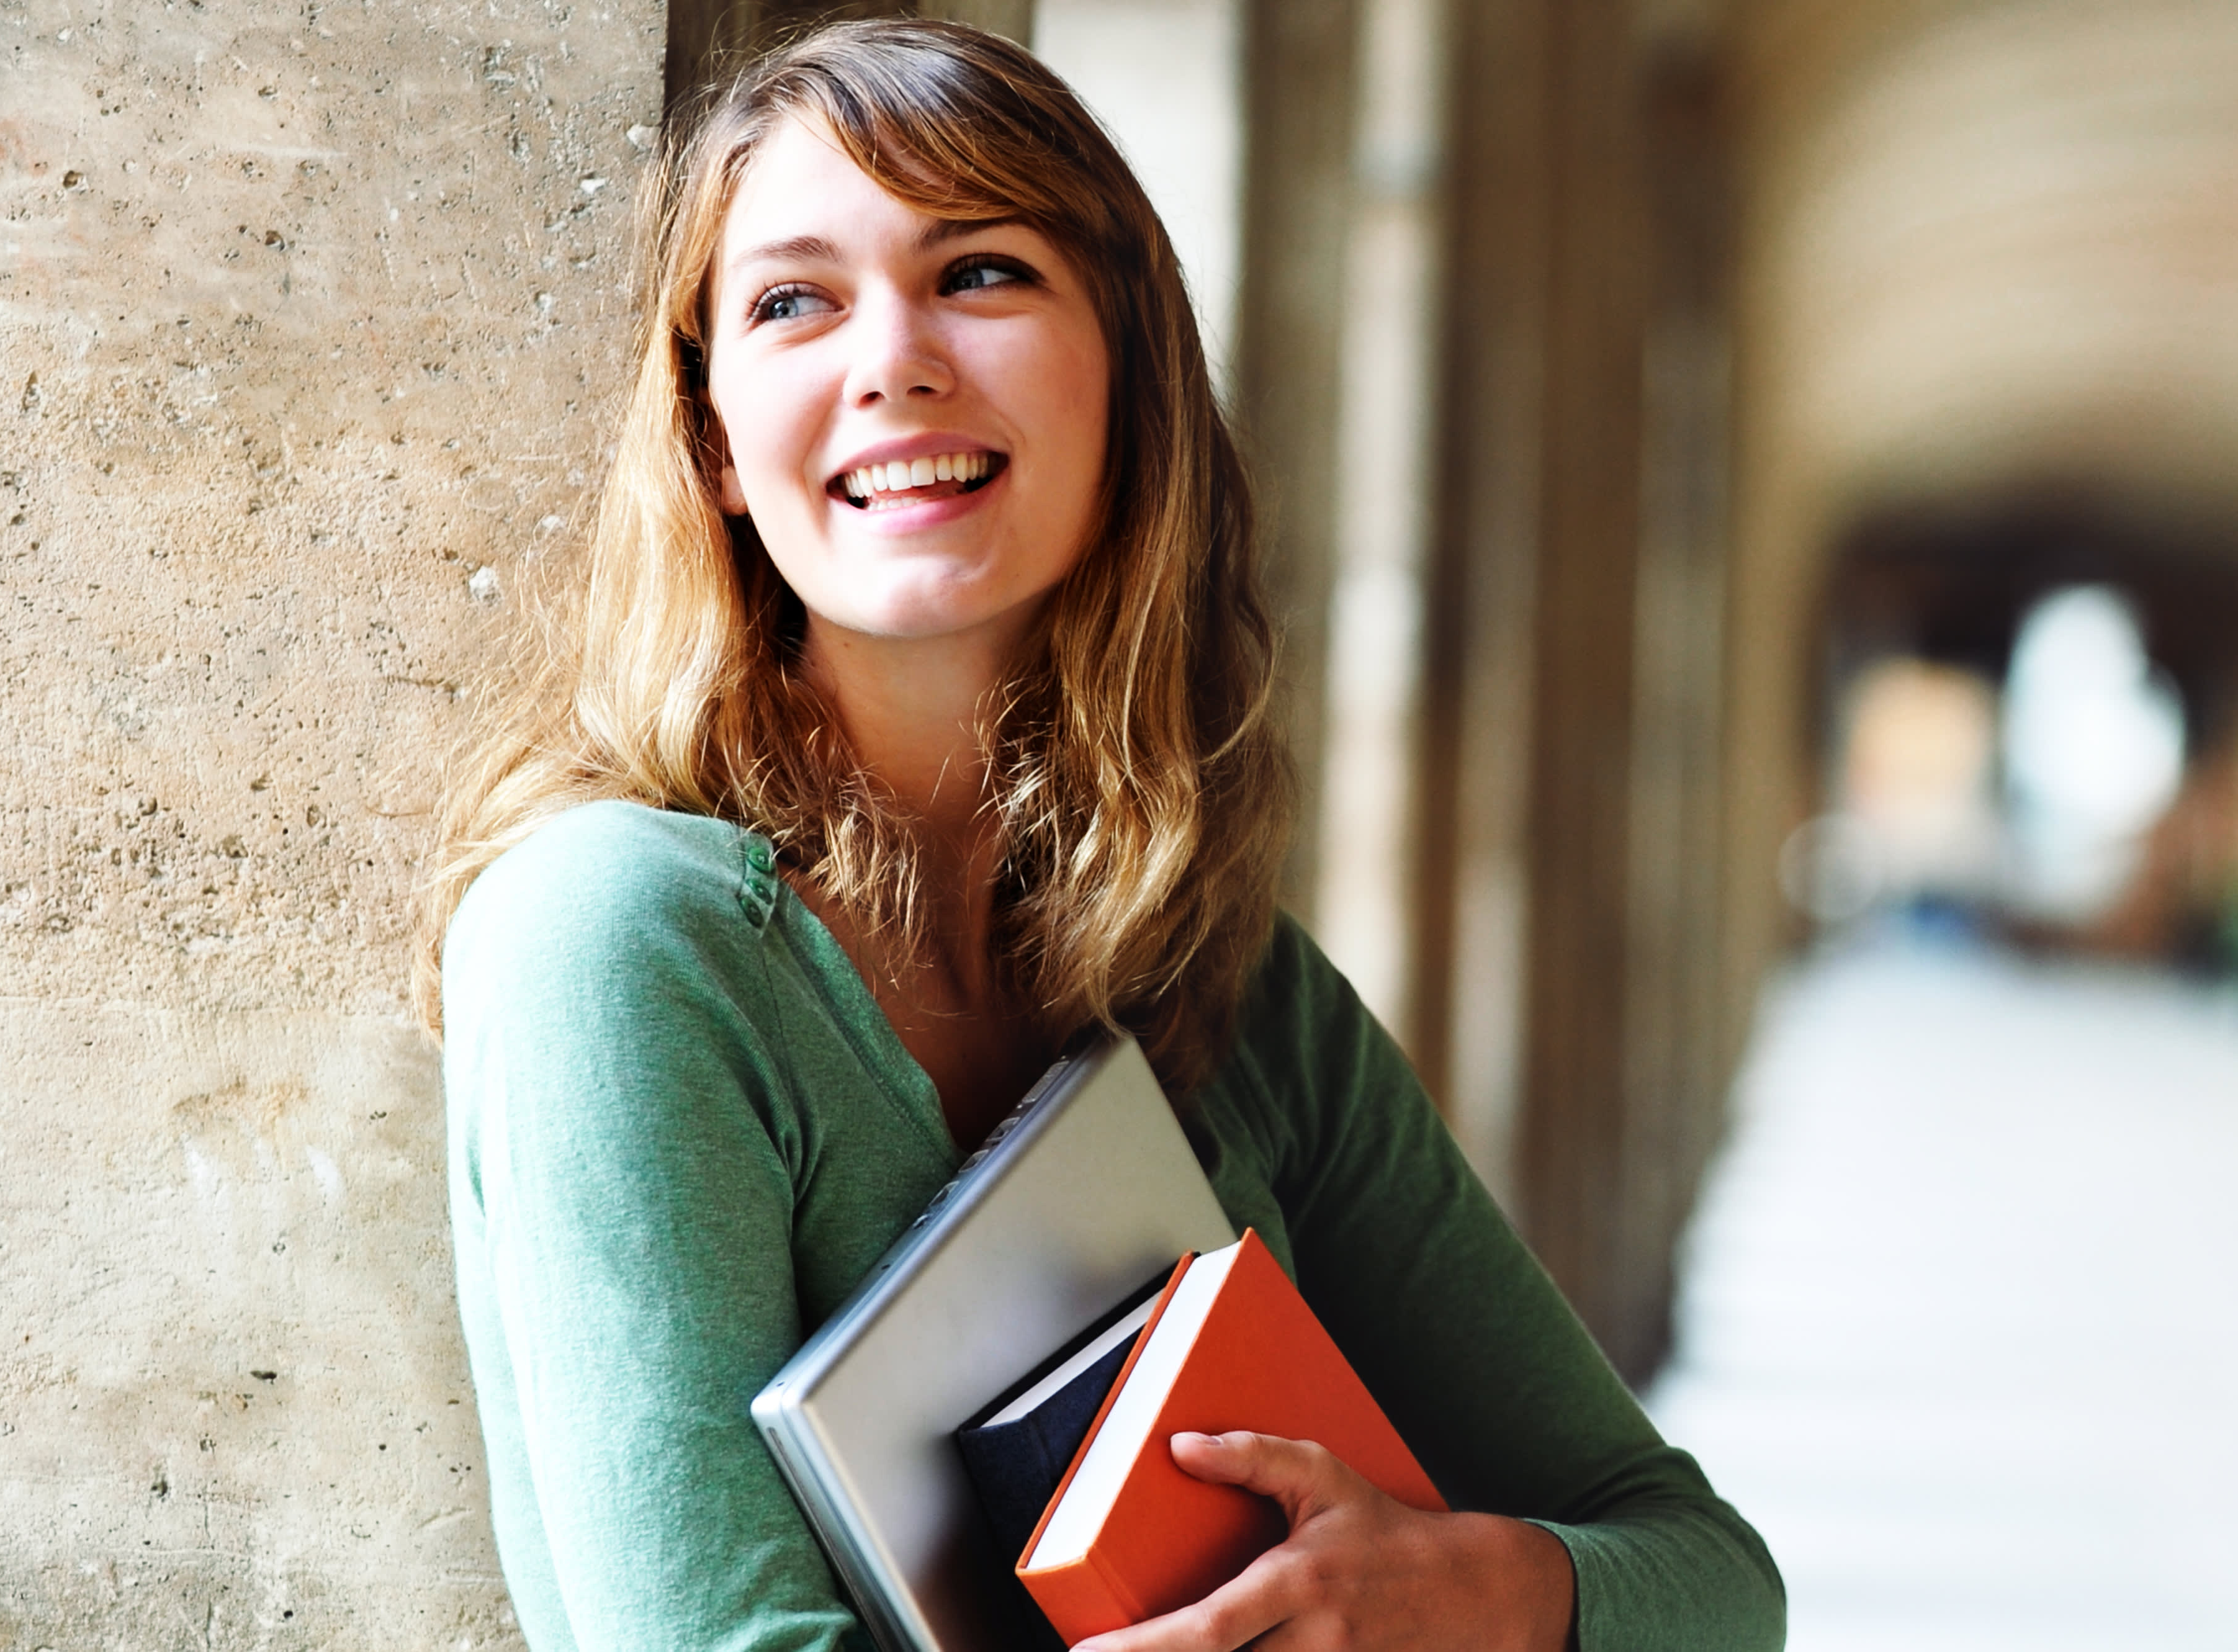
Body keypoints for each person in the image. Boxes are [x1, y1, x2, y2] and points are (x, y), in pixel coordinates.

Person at [425, 19, 1784, 1652]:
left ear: (1132, 369)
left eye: (981, 272)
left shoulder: (1222, 979)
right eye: (794, 302)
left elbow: (1708, 1579)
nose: (892, 362)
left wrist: (1448, 1592)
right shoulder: (622, 943)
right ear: (712, 436)